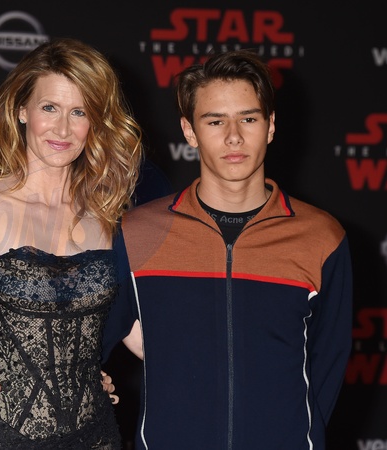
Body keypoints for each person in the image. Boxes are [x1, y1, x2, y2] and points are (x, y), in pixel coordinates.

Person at [102, 49, 353, 449]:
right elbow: (85, 344)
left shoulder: (321, 237)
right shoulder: (139, 232)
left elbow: (328, 364)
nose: (233, 136)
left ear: (270, 126)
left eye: (248, 119)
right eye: (215, 121)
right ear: (189, 132)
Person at [0, 38, 143, 448]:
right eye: (49, 108)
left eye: (79, 112)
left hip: (95, 436)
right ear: (22, 110)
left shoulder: (112, 218)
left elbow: (144, 336)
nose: (63, 129)